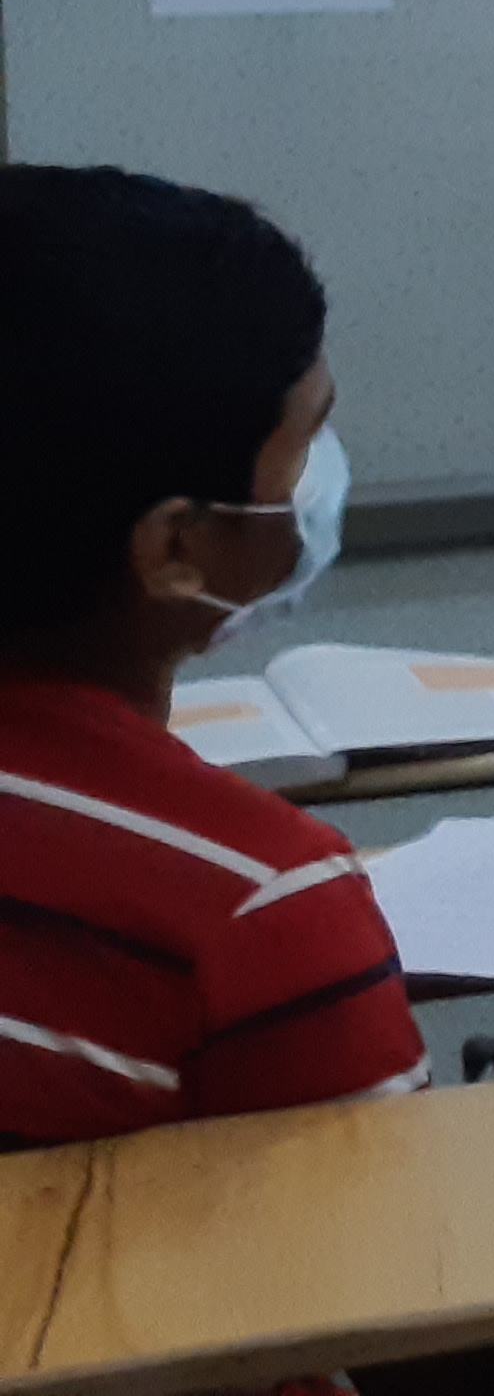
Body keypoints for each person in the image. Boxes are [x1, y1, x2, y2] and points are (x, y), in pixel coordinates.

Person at [0, 167, 424, 1150]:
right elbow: (385, 1236)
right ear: (175, 550)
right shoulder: (261, 901)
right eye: (306, 440)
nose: (322, 475)